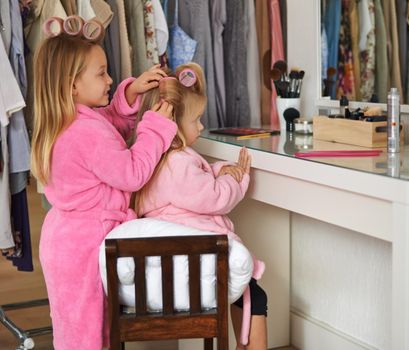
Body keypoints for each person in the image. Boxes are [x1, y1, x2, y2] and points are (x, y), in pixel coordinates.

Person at [30, 17, 178, 350]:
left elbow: (106, 129)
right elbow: (132, 172)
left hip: (64, 239)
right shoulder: (86, 132)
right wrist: (155, 127)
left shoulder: (70, 122)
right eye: (101, 74)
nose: (111, 79)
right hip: (81, 246)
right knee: (86, 336)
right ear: (72, 86)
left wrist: (132, 91)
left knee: (76, 330)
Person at [133, 62, 268, 350]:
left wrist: (217, 170)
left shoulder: (152, 162)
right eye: (196, 120)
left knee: (247, 291)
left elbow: (195, 183)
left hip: (169, 268)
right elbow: (215, 199)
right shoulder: (178, 163)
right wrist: (238, 179)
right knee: (255, 295)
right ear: (173, 125)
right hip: (197, 269)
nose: (202, 126)